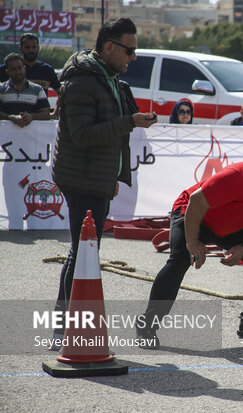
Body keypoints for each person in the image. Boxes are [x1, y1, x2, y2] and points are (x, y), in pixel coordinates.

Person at [49, 17, 158, 350]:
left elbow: (110, 137)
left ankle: (63, 327)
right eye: (130, 50)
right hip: (81, 178)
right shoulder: (84, 81)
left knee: (82, 254)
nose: (134, 57)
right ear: (109, 47)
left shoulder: (107, 77)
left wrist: (112, 176)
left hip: (94, 177)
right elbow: (82, 135)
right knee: (83, 254)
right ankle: (65, 330)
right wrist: (130, 121)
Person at [138, 149, 243, 347]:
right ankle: (147, 325)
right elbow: (197, 201)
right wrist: (192, 241)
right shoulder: (240, 176)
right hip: (195, 214)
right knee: (180, 259)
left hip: (235, 223)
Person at [0, 53, 50, 127]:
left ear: (24, 68)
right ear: (7, 72)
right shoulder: (1, 89)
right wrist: (10, 117)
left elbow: (46, 114)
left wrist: (32, 116)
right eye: (13, 69)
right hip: (6, 137)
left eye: (19, 68)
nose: (17, 72)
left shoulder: (37, 89)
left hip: (31, 137)